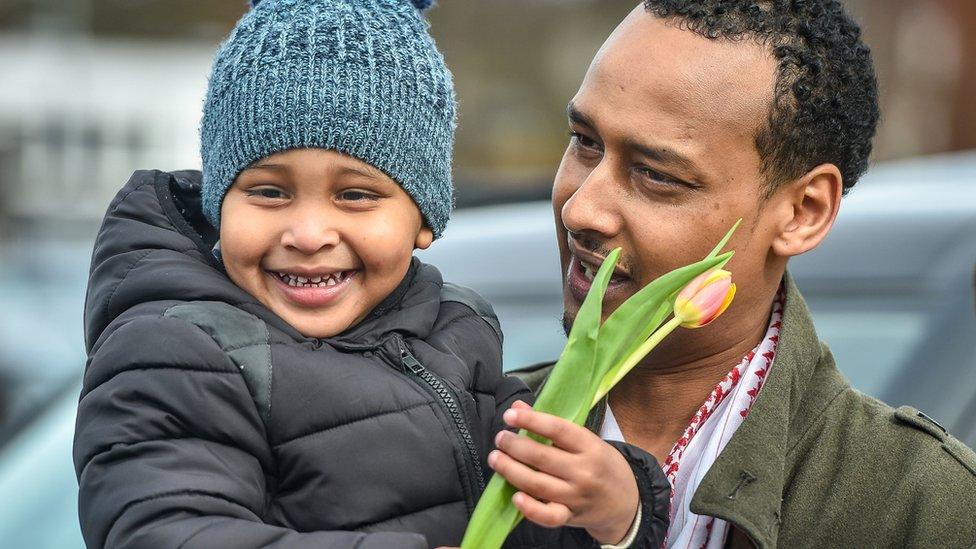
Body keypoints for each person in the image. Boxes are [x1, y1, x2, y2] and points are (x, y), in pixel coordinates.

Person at [72, 1, 670, 547]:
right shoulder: (174, 351)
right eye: (268, 191)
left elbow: (522, 523)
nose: (308, 234)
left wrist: (619, 513)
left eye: (356, 195)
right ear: (219, 207)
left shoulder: (457, 337)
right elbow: (165, 532)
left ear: (423, 222)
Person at [508, 1, 976, 547]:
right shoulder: (477, 421)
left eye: (655, 175)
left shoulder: (915, 504)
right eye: (585, 141)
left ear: (803, 212)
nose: (581, 210)